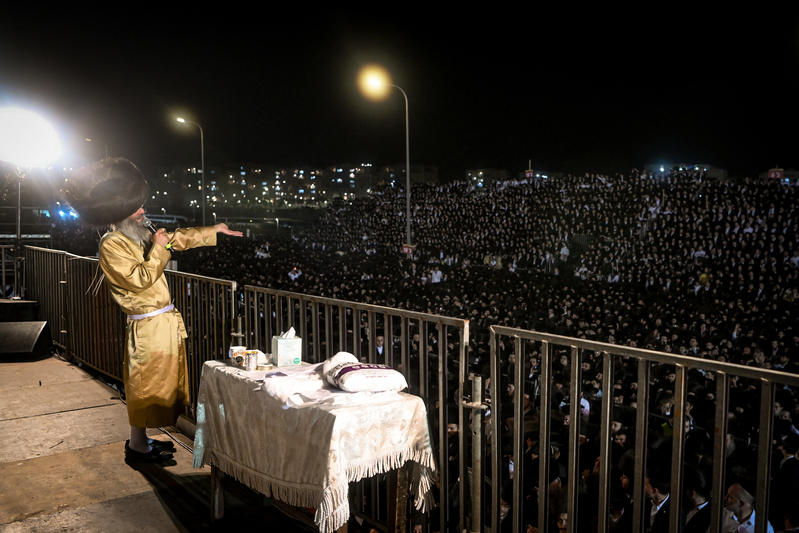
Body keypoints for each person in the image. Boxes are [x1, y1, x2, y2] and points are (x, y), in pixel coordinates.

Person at [64, 158, 242, 463]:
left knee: (156, 385)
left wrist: (213, 230)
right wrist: (159, 248)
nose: (142, 210)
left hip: (162, 323)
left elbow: (175, 240)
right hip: (147, 326)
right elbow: (139, 280)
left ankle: (140, 441)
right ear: (120, 212)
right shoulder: (111, 244)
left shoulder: (137, 234)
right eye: (136, 207)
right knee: (144, 387)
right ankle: (138, 448)